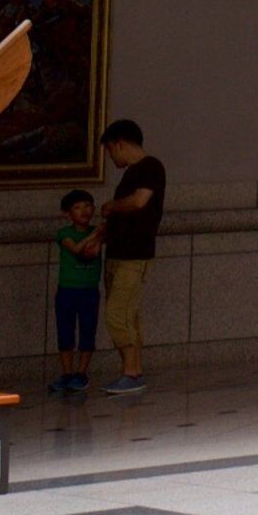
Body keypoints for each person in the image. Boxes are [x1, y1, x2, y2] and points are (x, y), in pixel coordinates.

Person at [98, 119, 166, 394]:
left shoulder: (150, 168)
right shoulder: (132, 173)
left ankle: (131, 371)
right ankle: (134, 370)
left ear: (120, 144)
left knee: (118, 313)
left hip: (134, 255)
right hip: (119, 251)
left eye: (110, 151)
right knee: (129, 314)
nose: (111, 157)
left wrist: (112, 206)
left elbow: (139, 202)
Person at [49, 189, 103, 396]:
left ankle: (81, 372)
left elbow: (92, 253)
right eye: (78, 208)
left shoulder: (97, 233)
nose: (84, 211)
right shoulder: (65, 233)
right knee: (65, 331)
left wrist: (96, 236)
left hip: (89, 289)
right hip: (67, 289)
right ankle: (67, 372)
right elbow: (78, 250)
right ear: (68, 213)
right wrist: (95, 235)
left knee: (88, 330)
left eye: (87, 206)